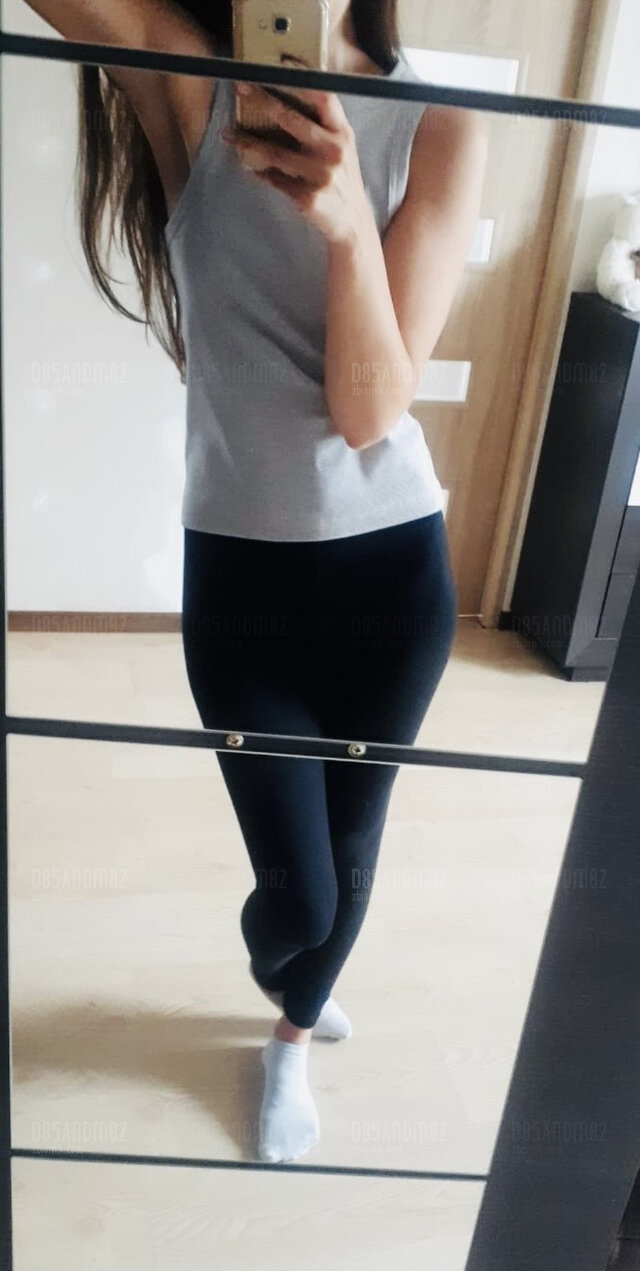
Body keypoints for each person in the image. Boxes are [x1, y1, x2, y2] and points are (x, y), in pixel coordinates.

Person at [22, 0, 488, 1162]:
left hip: (393, 577)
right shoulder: (190, 81)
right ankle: (293, 964)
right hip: (242, 585)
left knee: (352, 849)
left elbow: (369, 412)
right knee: (300, 896)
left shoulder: (440, 125)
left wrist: (346, 223)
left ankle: (289, 1031)